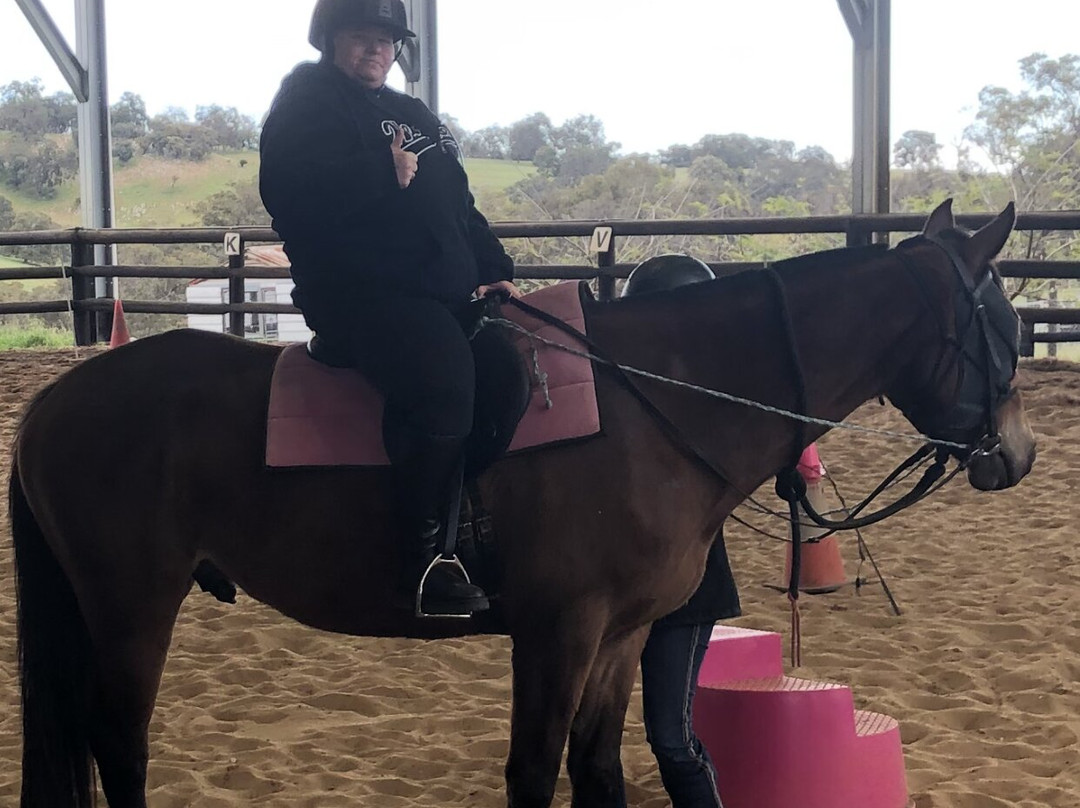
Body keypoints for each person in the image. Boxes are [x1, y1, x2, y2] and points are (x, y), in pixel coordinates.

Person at [259, 0, 519, 617]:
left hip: (442, 294)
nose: (376, 50)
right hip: (362, 295)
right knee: (443, 383)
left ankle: (461, 525)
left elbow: (459, 205)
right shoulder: (306, 103)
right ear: (329, 39)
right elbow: (288, 192)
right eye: (360, 37)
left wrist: (494, 269)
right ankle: (417, 556)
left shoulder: (411, 113)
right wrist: (380, 170)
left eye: (385, 40)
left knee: (506, 376)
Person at [623, 254, 741, 808]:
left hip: (686, 594)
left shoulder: (715, 400)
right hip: (619, 583)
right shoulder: (624, 389)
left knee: (671, 738)